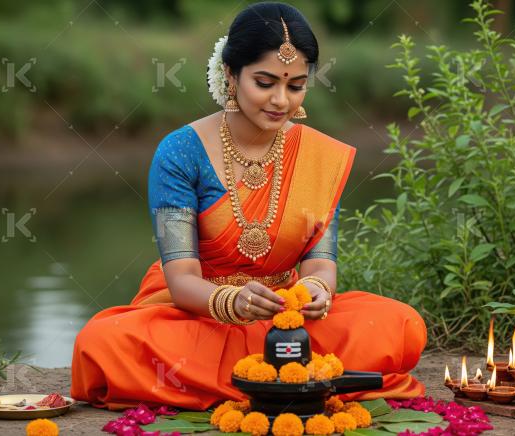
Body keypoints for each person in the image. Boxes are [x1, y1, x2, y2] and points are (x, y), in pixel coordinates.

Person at [70, 2, 426, 411]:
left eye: (295, 85)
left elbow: (320, 261)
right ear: (230, 73)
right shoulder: (180, 153)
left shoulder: (317, 156)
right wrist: (234, 303)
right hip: (199, 314)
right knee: (101, 343)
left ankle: (254, 379)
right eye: (265, 82)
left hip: (288, 322)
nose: (280, 100)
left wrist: (315, 290)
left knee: (400, 324)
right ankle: (300, 381)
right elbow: (181, 278)